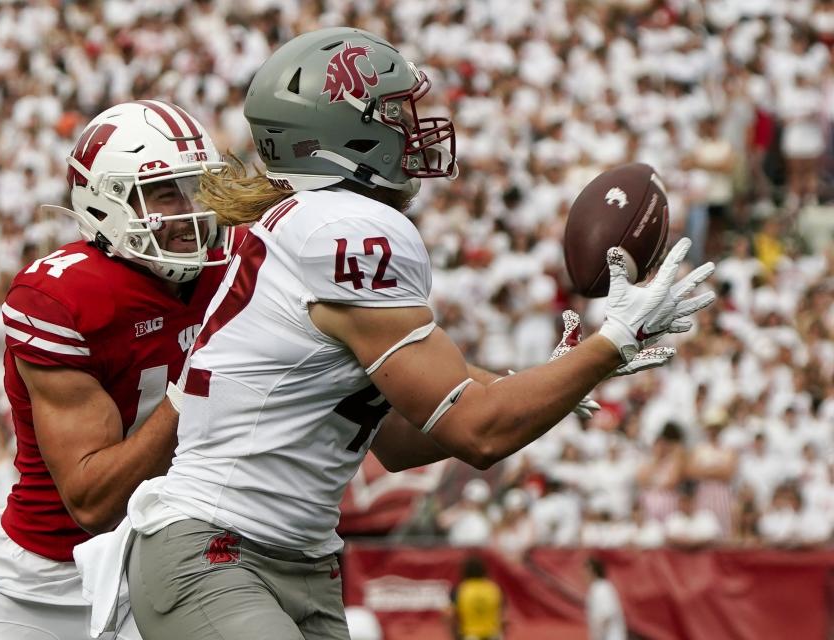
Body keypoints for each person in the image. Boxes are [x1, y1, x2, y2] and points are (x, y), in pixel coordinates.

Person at [88, 27, 714, 640]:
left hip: (292, 562)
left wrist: (544, 383)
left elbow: (395, 438)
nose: (412, 130)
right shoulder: (345, 228)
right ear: (343, 129)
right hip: (219, 551)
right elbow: (478, 431)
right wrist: (613, 342)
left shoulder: (309, 224)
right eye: (393, 113)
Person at [0, 100, 236, 640]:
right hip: (48, 577)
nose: (190, 211)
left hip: (183, 560)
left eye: (195, 187)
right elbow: (93, 500)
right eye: (165, 192)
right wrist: (191, 389)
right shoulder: (65, 297)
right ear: (109, 203)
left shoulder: (235, 266)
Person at [447, 555, 504, 640]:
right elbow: (502, 614)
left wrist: (454, 636)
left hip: (470, 636)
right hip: (493, 635)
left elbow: (449, 616)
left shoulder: (460, 589)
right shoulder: (494, 588)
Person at [585, 557, 626, 640]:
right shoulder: (597, 588)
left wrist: (598, 637)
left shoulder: (602, 589)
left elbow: (606, 615)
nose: (582, 575)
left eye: (585, 571)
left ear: (592, 571)